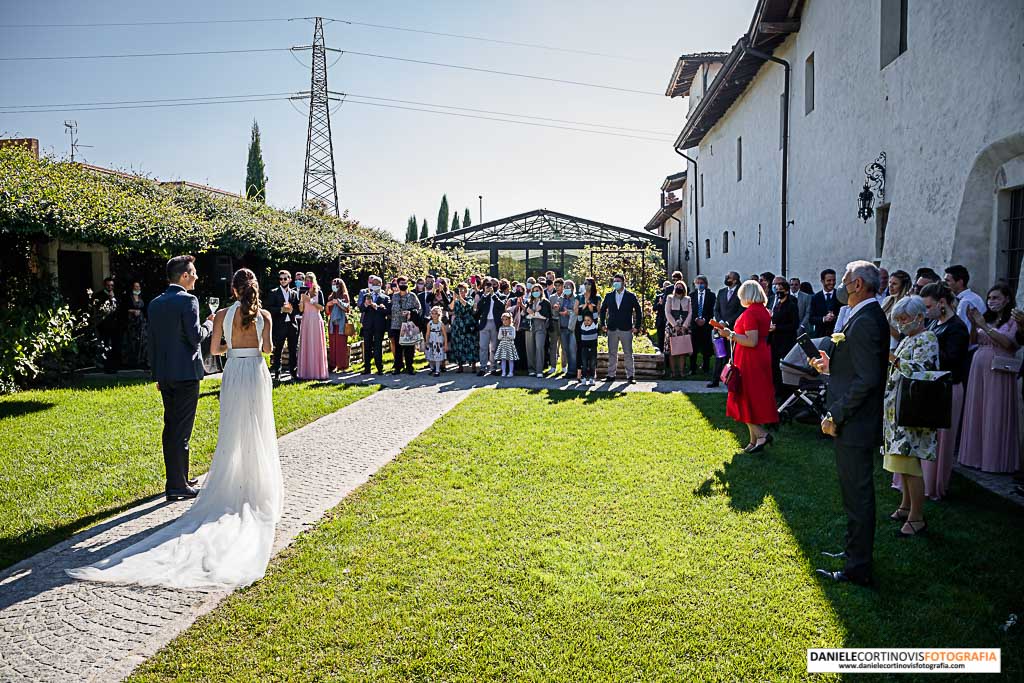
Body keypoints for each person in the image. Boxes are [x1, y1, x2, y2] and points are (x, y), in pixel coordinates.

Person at [68, 267, 283, 590]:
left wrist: (230, 348)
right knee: (258, 429)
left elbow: (214, 351)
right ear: (253, 289)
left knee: (232, 432)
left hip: (235, 372)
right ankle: (256, 485)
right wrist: (253, 344)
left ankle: (228, 482)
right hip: (256, 371)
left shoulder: (223, 313)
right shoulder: (263, 314)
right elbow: (267, 350)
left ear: (234, 290)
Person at [809, 261, 889, 587]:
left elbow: (868, 379)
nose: (840, 286)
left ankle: (859, 568)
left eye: (843, 281)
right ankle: (853, 552)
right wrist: (831, 367)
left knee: (858, 496)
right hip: (853, 420)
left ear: (857, 284)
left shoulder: (868, 320)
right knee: (852, 494)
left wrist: (835, 414)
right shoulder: (863, 316)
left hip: (855, 422)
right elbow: (856, 367)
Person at [145, 256, 215, 501]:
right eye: (193, 272)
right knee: (181, 430)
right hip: (186, 374)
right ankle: (177, 485)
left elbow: (151, 343)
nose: (196, 276)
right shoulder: (189, 301)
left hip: (166, 375)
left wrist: (157, 374)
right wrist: (209, 324)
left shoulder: (155, 303)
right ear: (184, 276)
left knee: (171, 427)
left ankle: (179, 477)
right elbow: (195, 337)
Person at [893, 283, 969, 501]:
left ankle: (933, 486)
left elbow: (952, 360)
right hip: (923, 389)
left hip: (946, 388)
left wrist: (926, 351)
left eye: (928, 306)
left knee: (939, 442)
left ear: (942, 304)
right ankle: (911, 490)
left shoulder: (956, 327)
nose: (925, 312)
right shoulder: (934, 325)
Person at [881, 296, 939, 537]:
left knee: (910, 463)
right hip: (897, 408)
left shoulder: (928, 338)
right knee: (900, 461)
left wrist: (892, 357)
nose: (901, 324)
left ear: (918, 317)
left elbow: (920, 371)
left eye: (904, 319)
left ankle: (917, 517)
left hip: (913, 409)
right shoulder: (909, 338)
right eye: (898, 320)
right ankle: (905, 506)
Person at [958, 282, 1020, 473]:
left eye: (996, 298)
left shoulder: (1013, 321)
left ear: (1007, 299)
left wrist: (983, 325)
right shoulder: (988, 318)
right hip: (979, 365)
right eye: (990, 298)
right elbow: (974, 340)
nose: (991, 302)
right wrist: (974, 324)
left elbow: (1009, 343)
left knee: (994, 410)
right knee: (978, 409)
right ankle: (974, 456)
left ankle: (994, 460)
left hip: (999, 369)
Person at [718, 280, 778, 453]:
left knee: (743, 397)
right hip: (759, 356)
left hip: (750, 359)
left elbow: (751, 340)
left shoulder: (751, 313)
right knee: (751, 397)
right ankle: (753, 441)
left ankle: (761, 435)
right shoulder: (763, 311)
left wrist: (730, 334)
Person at [599, 273, 643, 383]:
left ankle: (630, 376)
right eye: (615, 281)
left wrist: (637, 326)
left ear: (623, 282)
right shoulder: (609, 296)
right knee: (612, 353)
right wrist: (603, 324)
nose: (616, 283)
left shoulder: (630, 296)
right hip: (612, 328)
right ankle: (611, 375)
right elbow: (603, 310)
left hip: (626, 328)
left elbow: (638, 311)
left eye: (618, 281)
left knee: (628, 353)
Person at [708, 271, 743, 388]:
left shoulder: (740, 293)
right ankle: (715, 380)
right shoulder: (722, 292)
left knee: (731, 355)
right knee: (719, 354)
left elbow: (740, 311)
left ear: (735, 280)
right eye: (726, 276)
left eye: (729, 277)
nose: (726, 278)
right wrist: (720, 322)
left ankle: (730, 380)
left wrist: (728, 322)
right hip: (719, 328)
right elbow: (716, 309)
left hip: (733, 329)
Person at [769, 276, 800, 399]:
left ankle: (786, 393)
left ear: (786, 291)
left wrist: (778, 328)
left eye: (781, 289)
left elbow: (794, 325)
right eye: (777, 289)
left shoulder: (791, 305)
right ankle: (777, 391)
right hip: (775, 341)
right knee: (775, 368)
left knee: (784, 368)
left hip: (786, 342)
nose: (778, 292)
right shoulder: (776, 305)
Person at [268, 270, 300, 380]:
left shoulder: (294, 293)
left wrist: (292, 311)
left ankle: (293, 372)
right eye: (281, 279)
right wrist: (281, 309)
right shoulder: (273, 292)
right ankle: (277, 373)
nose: (282, 280)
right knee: (278, 350)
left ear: (290, 279)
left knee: (293, 350)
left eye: (285, 278)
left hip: (292, 325)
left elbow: (298, 310)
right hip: (279, 325)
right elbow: (269, 309)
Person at [296, 273, 328, 380]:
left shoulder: (319, 292)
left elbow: (321, 308)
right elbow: (301, 309)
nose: (307, 282)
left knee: (316, 344)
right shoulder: (302, 292)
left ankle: (318, 372)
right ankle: (305, 373)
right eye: (306, 280)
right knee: (306, 343)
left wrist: (310, 300)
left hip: (315, 319)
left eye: (310, 280)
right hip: (306, 319)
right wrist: (301, 300)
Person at [389, 277, 422, 375]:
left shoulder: (412, 296)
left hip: (408, 325)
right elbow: (391, 309)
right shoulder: (394, 296)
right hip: (396, 325)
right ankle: (398, 367)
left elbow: (419, 309)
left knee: (409, 347)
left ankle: (410, 367)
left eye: (405, 282)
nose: (403, 284)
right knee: (398, 348)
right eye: (401, 283)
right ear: (398, 285)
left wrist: (410, 312)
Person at [358, 276, 389, 375]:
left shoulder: (385, 297)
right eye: (373, 284)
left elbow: (387, 311)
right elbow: (361, 309)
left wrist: (378, 308)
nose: (374, 285)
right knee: (367, 347)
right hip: (367, 326)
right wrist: (366, 305)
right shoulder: (367, 295)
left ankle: (379, 368)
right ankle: (367, 368)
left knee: (377, 347)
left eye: (376, 284)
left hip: (379, 326)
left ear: (381, 285)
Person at [944, 264, 986, 337]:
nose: (945, 284)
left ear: (960, 282)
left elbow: (964, 330)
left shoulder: (966, 301)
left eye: (948, 281)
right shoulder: (970, 297)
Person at [92, 276, 122, 373]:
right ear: (105, 286)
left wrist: (113, 298)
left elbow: (119, 309)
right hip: (104, 326)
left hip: (115, 326)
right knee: (105, 346)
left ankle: (115, 366)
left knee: (115, 346)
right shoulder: (98, 296)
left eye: (112, 285)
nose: (110, 287)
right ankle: (106, 367)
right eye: (108, 285)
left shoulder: (116, 295)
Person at [474, 278, 504, 376]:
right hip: (484, 323)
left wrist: (493, 295)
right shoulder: (484, 296)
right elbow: (478, 307)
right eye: (489, 284)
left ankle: (493, 368)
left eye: (494, 284)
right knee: (483, 347)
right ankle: (483, 367)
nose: (491, 286)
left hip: (495, 323)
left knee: (494, 347)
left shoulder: (500, 296)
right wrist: (485, 295)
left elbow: (502, 306)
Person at [664, 279, 692, 379]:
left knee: (682, 350)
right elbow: (667, 312)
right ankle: (673, 372)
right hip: (672, 327)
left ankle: (681, 371)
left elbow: (690, 313)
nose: (679, 288)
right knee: (672, 350)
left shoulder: (688, 299)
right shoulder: (670, 298)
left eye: (681, 287)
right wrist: (674, 325)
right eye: (677, 286)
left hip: (684, 327)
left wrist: (684, 326)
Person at [575, 278, 602, 381]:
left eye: (589, 284)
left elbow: (598, 311)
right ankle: (579, 373)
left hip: (592, 327)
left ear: (593, 285)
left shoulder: (597, 297)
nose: (587, 285)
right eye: (585, 283)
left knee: (592, 351)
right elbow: (576, 311)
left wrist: (591, 307)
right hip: (580, 326)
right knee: (580, 349)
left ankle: (592, 374)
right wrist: (584, 305)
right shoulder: (579, 296)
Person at [449, 283, 478, 373]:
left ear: (466, 291)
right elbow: (451, 307)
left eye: (462, 290)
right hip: (458, 324)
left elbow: (468, 306)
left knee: (471, 343)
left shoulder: (469, 298)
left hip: (468, 323)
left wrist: (460, 298)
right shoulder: (456, 300)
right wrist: (454, 299)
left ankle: (473, 364)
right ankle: (460, 365)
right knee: (458, 344)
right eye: (459, 290)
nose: (460, 292)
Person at [689, 275, 715, 376]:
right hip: (694, 325)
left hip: (706, 325)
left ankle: (706, 368)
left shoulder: (711, 296)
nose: (700, 285)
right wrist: (695, 318)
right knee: (693, 347)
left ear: (706, 284)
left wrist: (705, 319)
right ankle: (692, 368)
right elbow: (690, 310)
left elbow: (713, 310)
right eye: (698, 283)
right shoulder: (691, 296)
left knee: (706, 348)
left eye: (702, 283)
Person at [526, 283, 552, 378]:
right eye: (533, 291)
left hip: (541, 326)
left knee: (539, 347)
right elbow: (526, 315)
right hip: (530, 326)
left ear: (541, 291)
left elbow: (546, 316)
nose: (535, 292)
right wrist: (534, 312)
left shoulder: (545, 302)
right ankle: (531, 369)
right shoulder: (529, 302)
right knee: (530, 348)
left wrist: (534, 313)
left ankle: (539, 370)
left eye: (537, 290)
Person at [554, 279, 579, 377]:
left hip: (572, 328)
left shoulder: (576, 298)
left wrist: (568, 312)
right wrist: (556, 308)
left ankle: (573, 371)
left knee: (572, 350)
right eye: (565, 287)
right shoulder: (561, 299)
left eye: (568, 287)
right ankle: (570, 370)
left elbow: (577, 312)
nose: (566, 289)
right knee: (566, 350)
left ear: (573, 288)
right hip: (562, 327)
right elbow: (557, 311)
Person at [326, 278, 351, 373]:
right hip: (332, 323)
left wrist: (338, 303)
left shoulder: (344, 295)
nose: (334, 286)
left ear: (340, 286)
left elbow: (347, 309)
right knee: (333, 344)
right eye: (333, 284)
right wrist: (328, 305)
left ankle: (342, 365)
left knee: (341, 344)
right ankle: (333, 365)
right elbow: (328, 312)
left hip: (341, 323)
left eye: (336, 285)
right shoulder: (331, 296)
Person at [122, 280, 149, 369]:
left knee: (143, 340)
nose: (137, 288)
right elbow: (124, 308)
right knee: (132, 340)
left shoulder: (142, 296)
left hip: (141, 321)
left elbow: (145, 308)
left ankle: (142, 360)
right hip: (131, 321)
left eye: (138, 286)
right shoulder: (128, 297)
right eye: (135, 286)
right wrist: (133, 311)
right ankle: (131, 361)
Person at [809, 268, 841, 337]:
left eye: (834, 280)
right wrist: (824, 319)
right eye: (829, 280)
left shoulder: (840, 295)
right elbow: (811, 319)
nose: (832, 283)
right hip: (820, 335)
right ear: (822, 281)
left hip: (837, 335)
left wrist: (835, 318)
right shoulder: (815, 297)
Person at [424, 306, 448, 377]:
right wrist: (426, 341)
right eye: (432, 313)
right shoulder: (430, 323)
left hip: (438, 342)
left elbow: (445, 334)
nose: (434, 315)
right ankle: (432, 368)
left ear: (439, 315)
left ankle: (437, 370)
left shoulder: (441, 324)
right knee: (429, 355)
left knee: (437, 355)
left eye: (436, 313)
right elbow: (427, 333)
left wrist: (445, 344)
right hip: (431, 341)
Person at [578, 311, 600, 386]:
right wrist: (581, 307)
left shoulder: (594, 325)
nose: (586, 322)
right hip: (584, 348)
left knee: (592, 363)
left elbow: (596, 316)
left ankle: (592, 378)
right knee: (584, 364)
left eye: (588, 320)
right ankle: (583, 377)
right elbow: (579, 316)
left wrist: (593, 307)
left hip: (593, 348)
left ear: (592, 321)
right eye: (585, 320)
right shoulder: (582, 326)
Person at [495, 312, 519, 377]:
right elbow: (499, 337)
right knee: (503, 359)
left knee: (510, 359)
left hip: (510, 345)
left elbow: (513, 337)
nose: (505, 321)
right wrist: (502, 335)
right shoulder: (501, 328)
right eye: (503, 320)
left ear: (510, 320)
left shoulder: (512, 328)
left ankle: (511, 372)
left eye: (506, 319)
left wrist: (508, 334)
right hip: (503, 345)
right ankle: (503, 372)